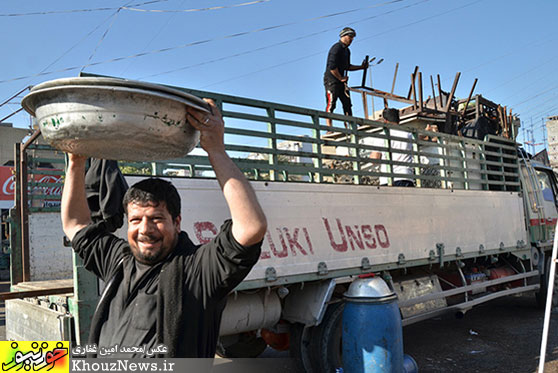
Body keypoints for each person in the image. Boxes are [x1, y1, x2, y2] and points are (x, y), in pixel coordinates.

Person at [61, 99, 267, 358]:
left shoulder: (197, 271)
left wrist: (216, 150)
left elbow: (250, 228)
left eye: (156, 218)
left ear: (177, 222)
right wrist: (75, 163)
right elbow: (75, 225)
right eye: (136, 220)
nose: (145, 229)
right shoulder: (119, 261)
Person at [324, 27, 368, 129]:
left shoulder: (347, 51)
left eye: (353, 37)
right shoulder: (336, 48)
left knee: (347, 104)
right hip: (332, 81)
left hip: (341, 81)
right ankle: (329, 128)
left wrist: (361, 67)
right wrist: (340, 78)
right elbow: (332, 67)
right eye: (350, 37)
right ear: (343, 36)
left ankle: (349, 126)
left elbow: (347, 66)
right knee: (331, 103)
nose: (352, 39)